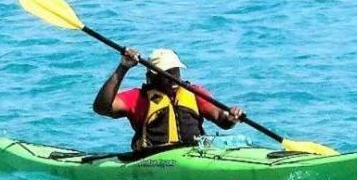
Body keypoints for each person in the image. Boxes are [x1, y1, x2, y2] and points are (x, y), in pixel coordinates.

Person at [92, 48, 244, 151]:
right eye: (165, 74)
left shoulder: (194, 93)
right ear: (151, 76)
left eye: (175, 72)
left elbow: (221, 119)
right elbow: (102, 107)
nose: (172, 79)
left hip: (194, 153)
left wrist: (230, 118)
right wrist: (123, 67)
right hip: (154, 159)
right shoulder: (139, 98)